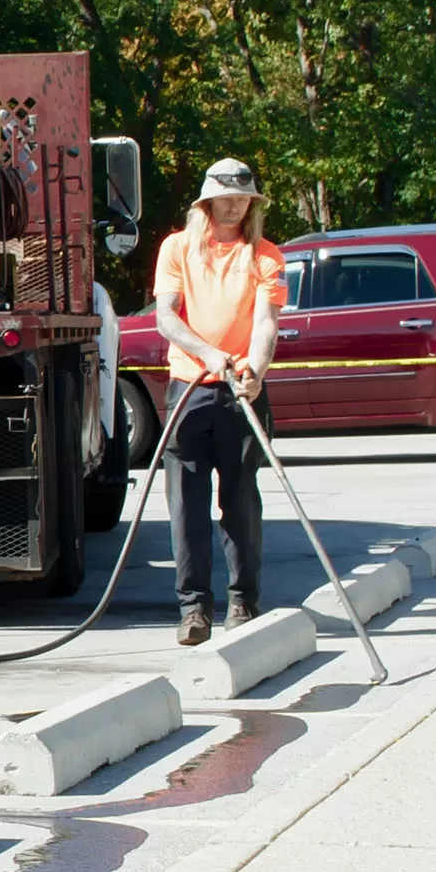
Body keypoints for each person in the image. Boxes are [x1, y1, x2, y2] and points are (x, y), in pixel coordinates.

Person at [151, 157, 287, 646]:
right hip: (191, 387)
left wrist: (256, 371)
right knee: (186, 506)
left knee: (241, 500)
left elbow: (267, 322)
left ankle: (243, 600)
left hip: (241, 391)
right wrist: (209, 354)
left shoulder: (266, 255)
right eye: (226, 196)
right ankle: (193, 609)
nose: (235, 204)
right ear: (206, 201)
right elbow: (166, 317)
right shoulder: (178, 249)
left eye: (243, 197)